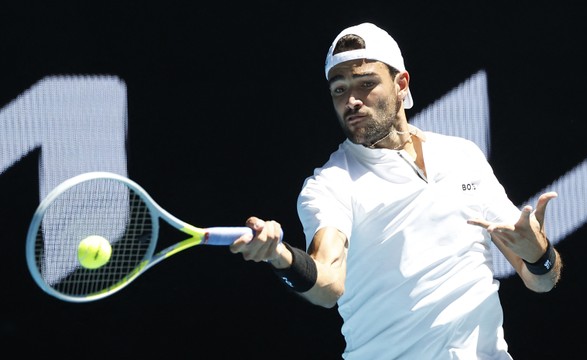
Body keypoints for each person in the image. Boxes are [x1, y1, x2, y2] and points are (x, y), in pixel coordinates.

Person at [229, 22, 563, 359]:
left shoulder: (463, 155)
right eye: (339, 89)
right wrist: (280, 256)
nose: (352, 100)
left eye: (366, 83)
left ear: (401, 84)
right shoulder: (330, 184)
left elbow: (541, 280)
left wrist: (538, 254)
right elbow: (328, 283)